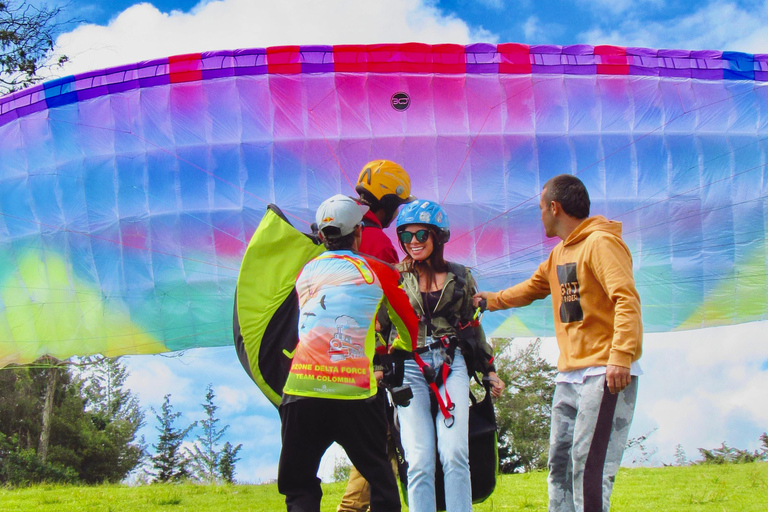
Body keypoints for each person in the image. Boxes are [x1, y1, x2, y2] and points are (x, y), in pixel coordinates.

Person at [474, 174, 643, 512]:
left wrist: (621, 355)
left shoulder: (601, 243)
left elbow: (626, 299)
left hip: (606, 372)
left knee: (588, 467)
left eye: (541, 208)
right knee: (560, 466)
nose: (540, 216)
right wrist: (489, 300)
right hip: (570, 375)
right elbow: (531, 288)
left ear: (555, 207)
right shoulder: (559, 254)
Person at [277, 194, 419, 512]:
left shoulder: (305, 273)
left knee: (299, 487)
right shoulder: (376, 271)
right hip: (354, 395)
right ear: (358, 232)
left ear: (320, 236)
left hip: (301, 392)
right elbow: (408, 321)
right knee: (380, 481)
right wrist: (400, 348)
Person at [390, 199, 505, 512]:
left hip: (450, 363)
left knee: (455, 453)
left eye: (421, 235)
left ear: (437, 236)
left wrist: (488, 369)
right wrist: (376, 367)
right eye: (406, 236)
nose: (412, 243)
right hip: (409, 367)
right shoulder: (393, 278)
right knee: (418, 459)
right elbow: (380, 328)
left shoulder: (460, 277)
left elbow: (473, 326)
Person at [337, 159, 416, 512]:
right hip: (368, 360)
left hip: (329, 356)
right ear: (383, 204)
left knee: (379, 443)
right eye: (396, 207)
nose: (394, 215)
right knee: (379, 440)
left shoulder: (337, 233)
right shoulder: (377, 242)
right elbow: (391, 307)